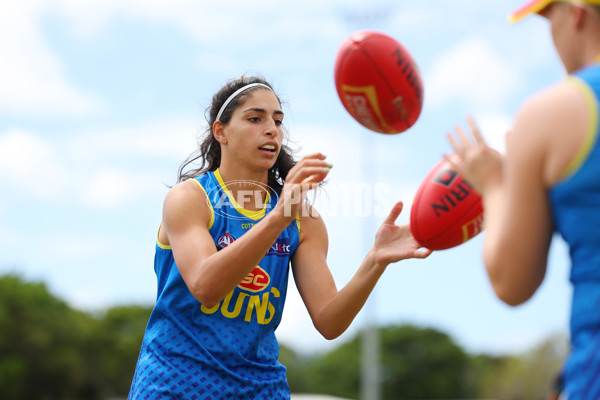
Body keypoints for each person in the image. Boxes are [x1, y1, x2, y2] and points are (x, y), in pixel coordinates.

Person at [128, 75, 431, 399]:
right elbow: (206, 286)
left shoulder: (303, 220)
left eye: (278, 120)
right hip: (177, 384)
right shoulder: (190, 198)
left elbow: (329, 322)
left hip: (259, 389)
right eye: (255, 118)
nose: (272, 128)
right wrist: (279, 216)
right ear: (221, 132)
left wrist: (375, 261)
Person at [446, 1, 600, 398]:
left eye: (550, 20)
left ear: (577, 15)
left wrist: (496, 185)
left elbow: (511, 283)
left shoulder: (554, 112)